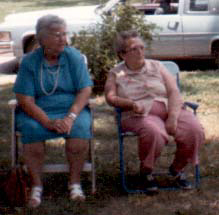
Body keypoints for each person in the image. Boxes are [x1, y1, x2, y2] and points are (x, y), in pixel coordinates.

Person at [104, 30, 205, 191]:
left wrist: (172, 117)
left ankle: (177, 169)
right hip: (138, 113)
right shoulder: (117, 73)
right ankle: (146, 172)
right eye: (134, 49)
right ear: (122, 54)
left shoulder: (157, 66)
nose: (140, 51)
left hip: (169, 107)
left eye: (142, 47)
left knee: (194, 130)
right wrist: (129, 103)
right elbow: (110, 98)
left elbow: (173, 92)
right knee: (154, 132)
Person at [13, 14, 93, 208]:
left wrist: (71, 116)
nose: (63, 39)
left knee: (79, 129)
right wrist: (47, 122)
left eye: (65, 34)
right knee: (31, 130)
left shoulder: (73, 57)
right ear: (42, 39)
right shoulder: (30, 62)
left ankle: (74, 183)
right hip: (39, 111)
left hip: (70, 109)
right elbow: (25, 99)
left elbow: (85, 89)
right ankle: (37, 186)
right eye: (57, 35)